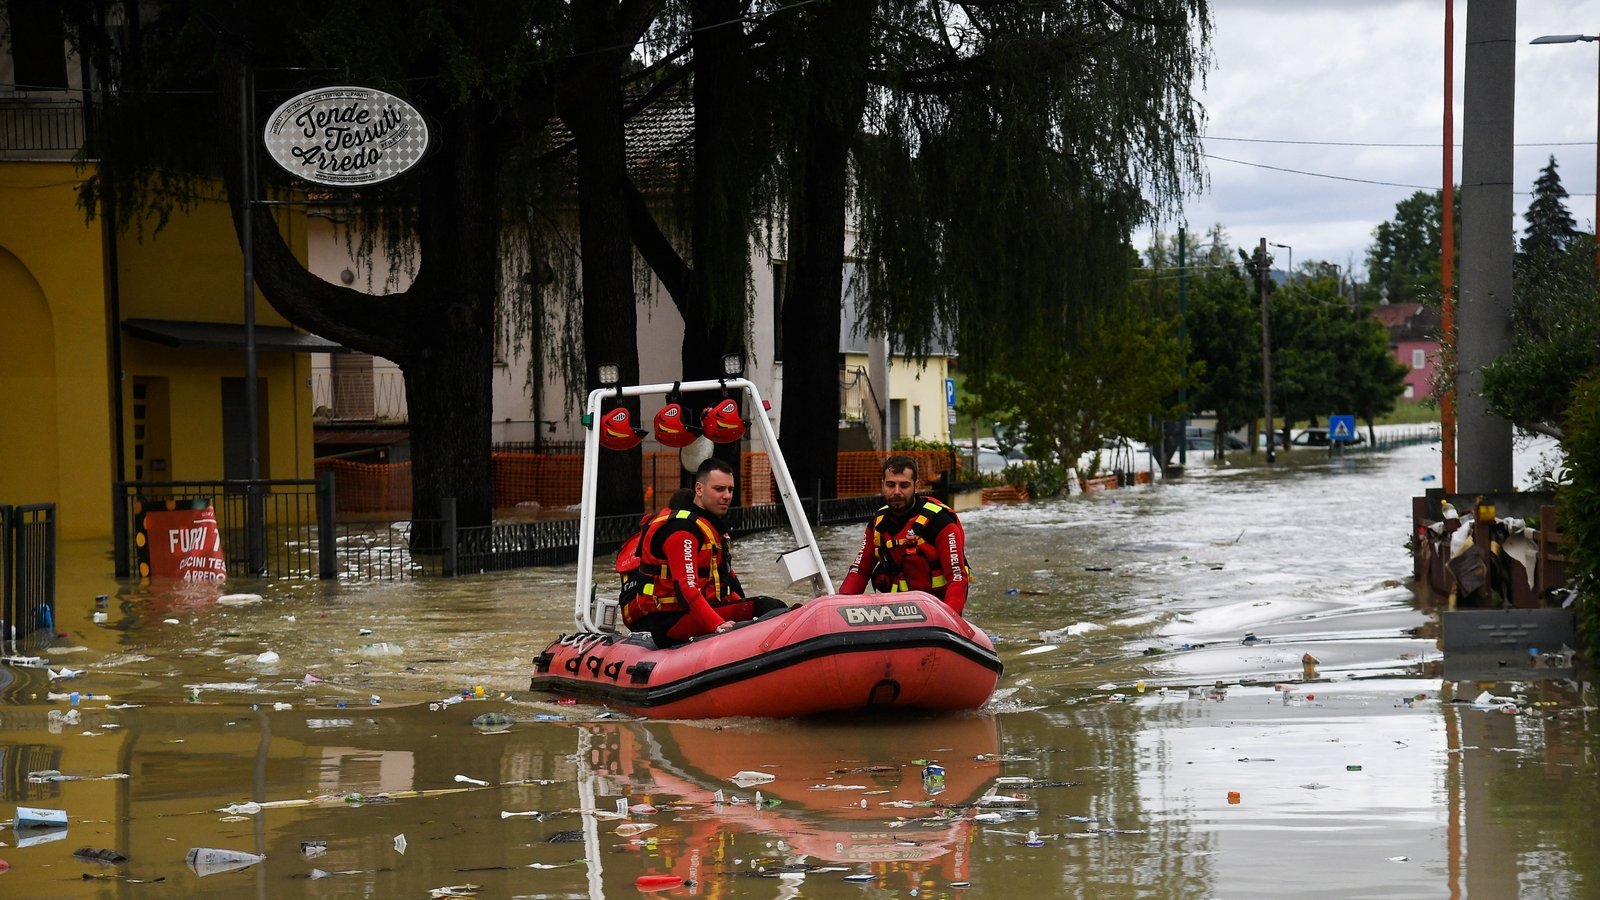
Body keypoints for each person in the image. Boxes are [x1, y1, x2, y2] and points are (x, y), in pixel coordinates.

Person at [621, 458, 787, 646]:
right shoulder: (682, 530)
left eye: (730, 490)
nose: (727, 496)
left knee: (771, 605)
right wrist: (718, 625)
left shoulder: (707, 528)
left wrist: (741, 605)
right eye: (719, 489)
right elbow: (686, 586)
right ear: (699, 489)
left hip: (697, 611)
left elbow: (724, 583)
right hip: (672, 622)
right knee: (766, 607)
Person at [839, 454, 971, 615]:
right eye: (890, 485)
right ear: (882, 485)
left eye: (904, 485)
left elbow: (957, 577)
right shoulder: (878, 524)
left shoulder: (940, 522)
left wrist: (950, 618)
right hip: (894, 612)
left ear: (916, 486)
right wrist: (840, 606)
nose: (896, 492)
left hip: (936, 612)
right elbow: (860, 570)